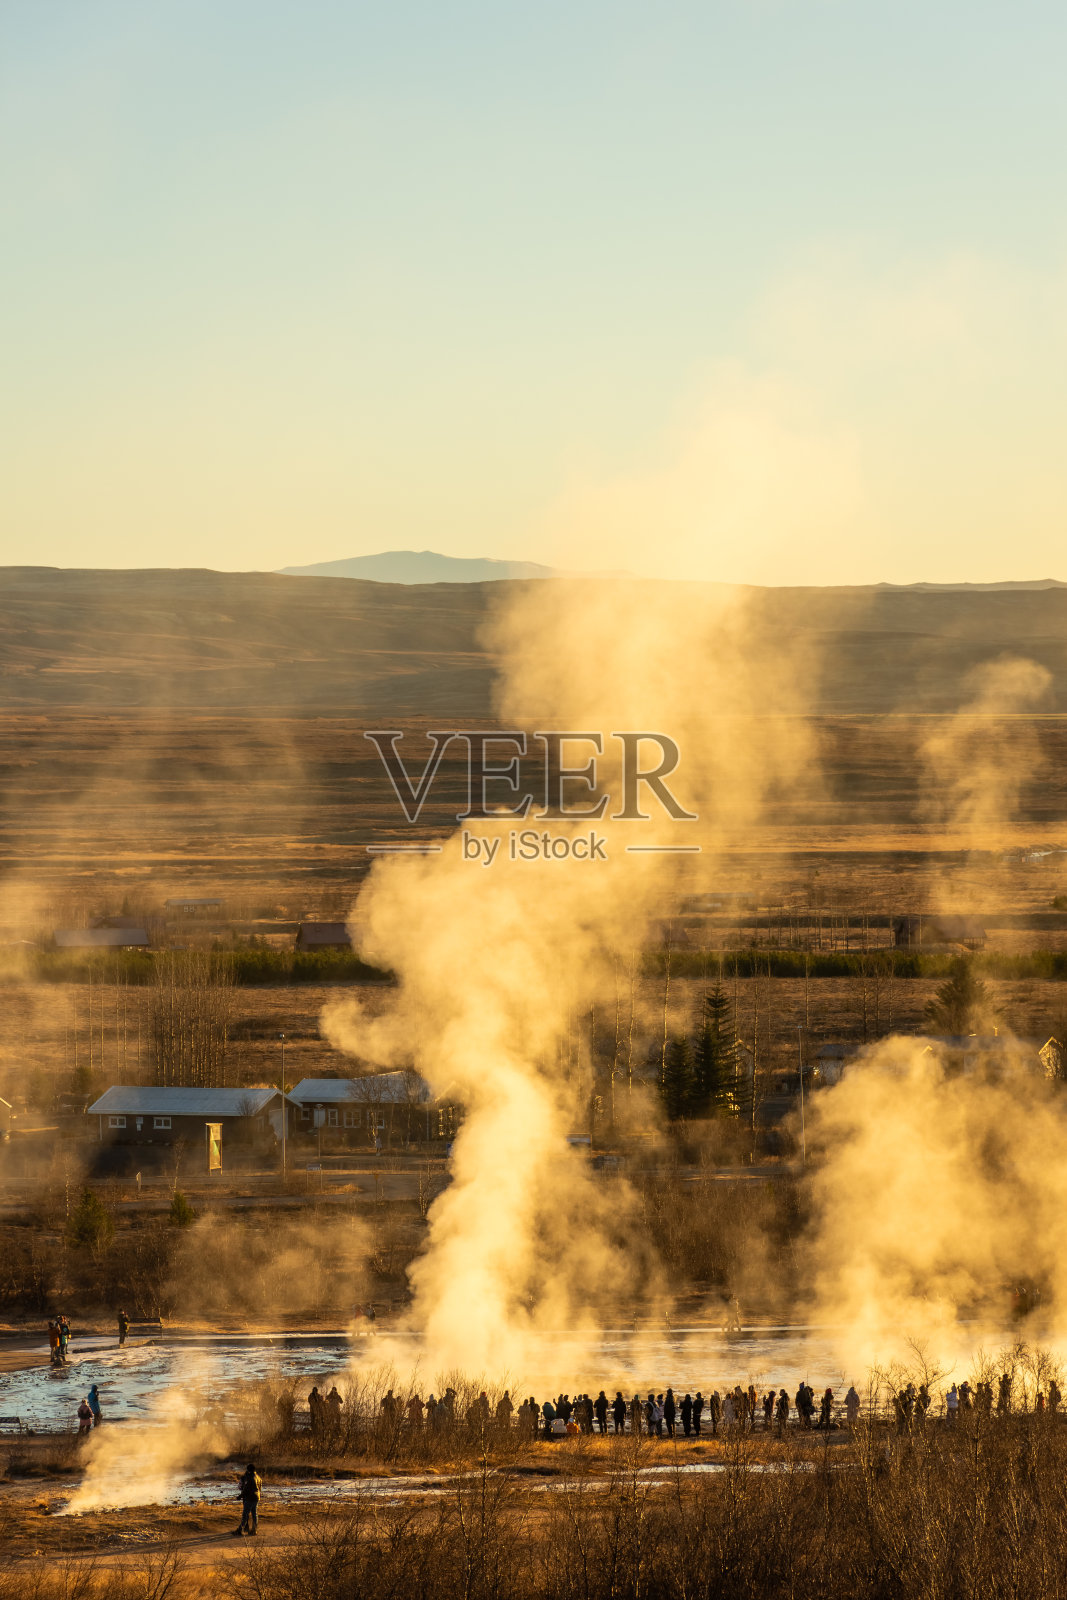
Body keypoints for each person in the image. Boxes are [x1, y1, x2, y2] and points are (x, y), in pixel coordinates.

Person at [234, 1463, 262, 1536]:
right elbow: (259, 1488)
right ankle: (254, 1530)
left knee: (245, 1515)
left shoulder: (249, 1478)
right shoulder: (258, 1477)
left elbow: (245, 1489)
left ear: (248, 1470)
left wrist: (240, 1496)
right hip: (256, 1497)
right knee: (254, 1514)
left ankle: (240, 1530)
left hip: (249, 1498)